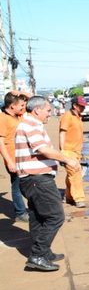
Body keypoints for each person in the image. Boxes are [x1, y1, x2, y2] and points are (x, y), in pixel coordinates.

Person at [15, 96, 81, 271]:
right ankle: (37, 255)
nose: (50, 114)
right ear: (37, 110)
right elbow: (43, 150)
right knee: (55, 216)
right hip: (37, 179)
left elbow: (41, 152)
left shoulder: (30, 124)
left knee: (38, 217)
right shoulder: (30, 125)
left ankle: (43, 252)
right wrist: (68, 160)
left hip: (33, 179)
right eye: (48, 111)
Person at [0, 90, 30, 222]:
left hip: (22, 157)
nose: (22, 108)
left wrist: (22, 92)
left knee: (26, 183)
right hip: (12, 158)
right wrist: (9, 162)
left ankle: (25, 209)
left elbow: (29, 101)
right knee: (18, 186)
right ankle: (20, 212)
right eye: (20, 106)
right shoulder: (3, 118)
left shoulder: (17, 115)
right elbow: (0, 142)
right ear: (12, 106)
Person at [59, 96, 87, 208]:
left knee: (71, 175)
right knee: (76, 174)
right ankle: (79, 199)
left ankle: (69, 196)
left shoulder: (78, 117)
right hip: (68, 151)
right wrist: (62, 151)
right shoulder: (67, 116)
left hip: (77, 152)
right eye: (81, 106)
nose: (84, 108)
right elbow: (62, 133)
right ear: (75, 106)